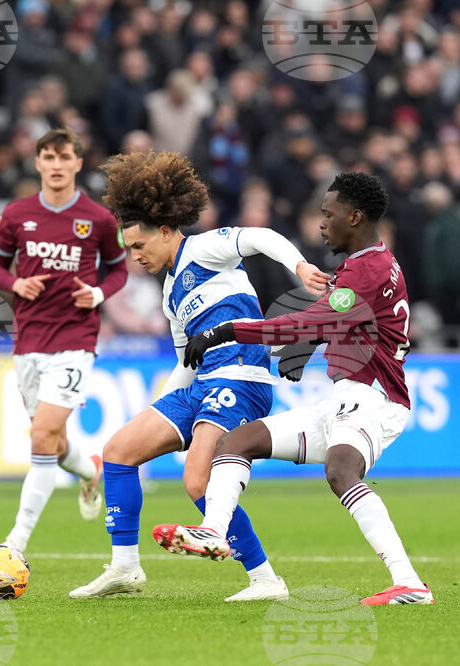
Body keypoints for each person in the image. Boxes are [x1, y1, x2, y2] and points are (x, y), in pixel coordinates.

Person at [154, 172, 434, 606]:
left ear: (354, 216)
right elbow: (333, 323)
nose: (321, 224)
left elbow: (309, 321)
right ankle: (212, 531)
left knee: (342, 472)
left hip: (372, 397)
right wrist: (302, 346)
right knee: (235, 442)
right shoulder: (368, 264)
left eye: (329, 214)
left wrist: (226, 331)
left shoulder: (368, 268)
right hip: (346, 397)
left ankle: (410, 583)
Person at [69, 152, 329, 601]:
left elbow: (260, 235)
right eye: (129, 249)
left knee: (197, 482)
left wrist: (300, 266)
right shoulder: (170, 293)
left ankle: (266, 580)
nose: (134, 257)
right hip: (204, 382)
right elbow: (186, 362)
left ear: (166, 232)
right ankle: (124, 568)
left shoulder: (203, 249)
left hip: (242, 377)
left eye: (139, 246)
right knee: (118, 451)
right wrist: (155, 410)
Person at [0, 128, 129, 553]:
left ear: (77, 163)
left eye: (64, 157)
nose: (56, 165)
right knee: (51, 439)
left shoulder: (99, 219)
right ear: (37, 163)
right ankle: (89, 472)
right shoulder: (16, 214)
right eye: (48, 157)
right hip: (29, 339)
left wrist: (99, 293)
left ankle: (16, 542)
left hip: (75, 338)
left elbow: (119, 270)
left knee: (42, 435)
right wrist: (16, 283)